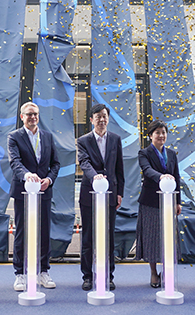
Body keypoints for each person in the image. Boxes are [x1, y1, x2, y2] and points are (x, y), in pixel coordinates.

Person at [8, 101, 60, 291]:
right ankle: (20, 273)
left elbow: (55, 164)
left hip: (44, 192)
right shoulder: (14, 137)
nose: (33, 117)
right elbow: (15, 161)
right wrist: (27, 175)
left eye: (35, 114)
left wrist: (49, 179)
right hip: (23, 192)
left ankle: (43, 271)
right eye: (29, 114)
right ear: (22, 116)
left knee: (44, 232)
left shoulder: (47, 136)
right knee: (22, 232)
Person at [76, 103, 125, 291]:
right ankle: (88, 276)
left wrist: (119, 192)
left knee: (108, 237)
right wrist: (95, 176)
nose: (102, 120)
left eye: (104, 116)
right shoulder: (83, 140)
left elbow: (119, 168)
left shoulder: (115, 139)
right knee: (88, 238)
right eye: (98, 117)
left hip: (110, 195)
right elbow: (84, 162)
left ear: (108, 118)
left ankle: (108, 275)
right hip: (89, 195)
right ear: (91, 120)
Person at [136, 119, 181, 288]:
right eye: (157, 133)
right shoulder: (144, 153)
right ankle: (154, 272)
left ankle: (167, 270)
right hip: (150, 202)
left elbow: (177, 178)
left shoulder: (172, 154)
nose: (161, 136)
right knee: (152, 238)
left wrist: (178, 201)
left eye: (163, 132)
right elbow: (147, 170)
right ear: (150, 135)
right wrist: (161, 177)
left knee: (168, 237)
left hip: (169, 202)